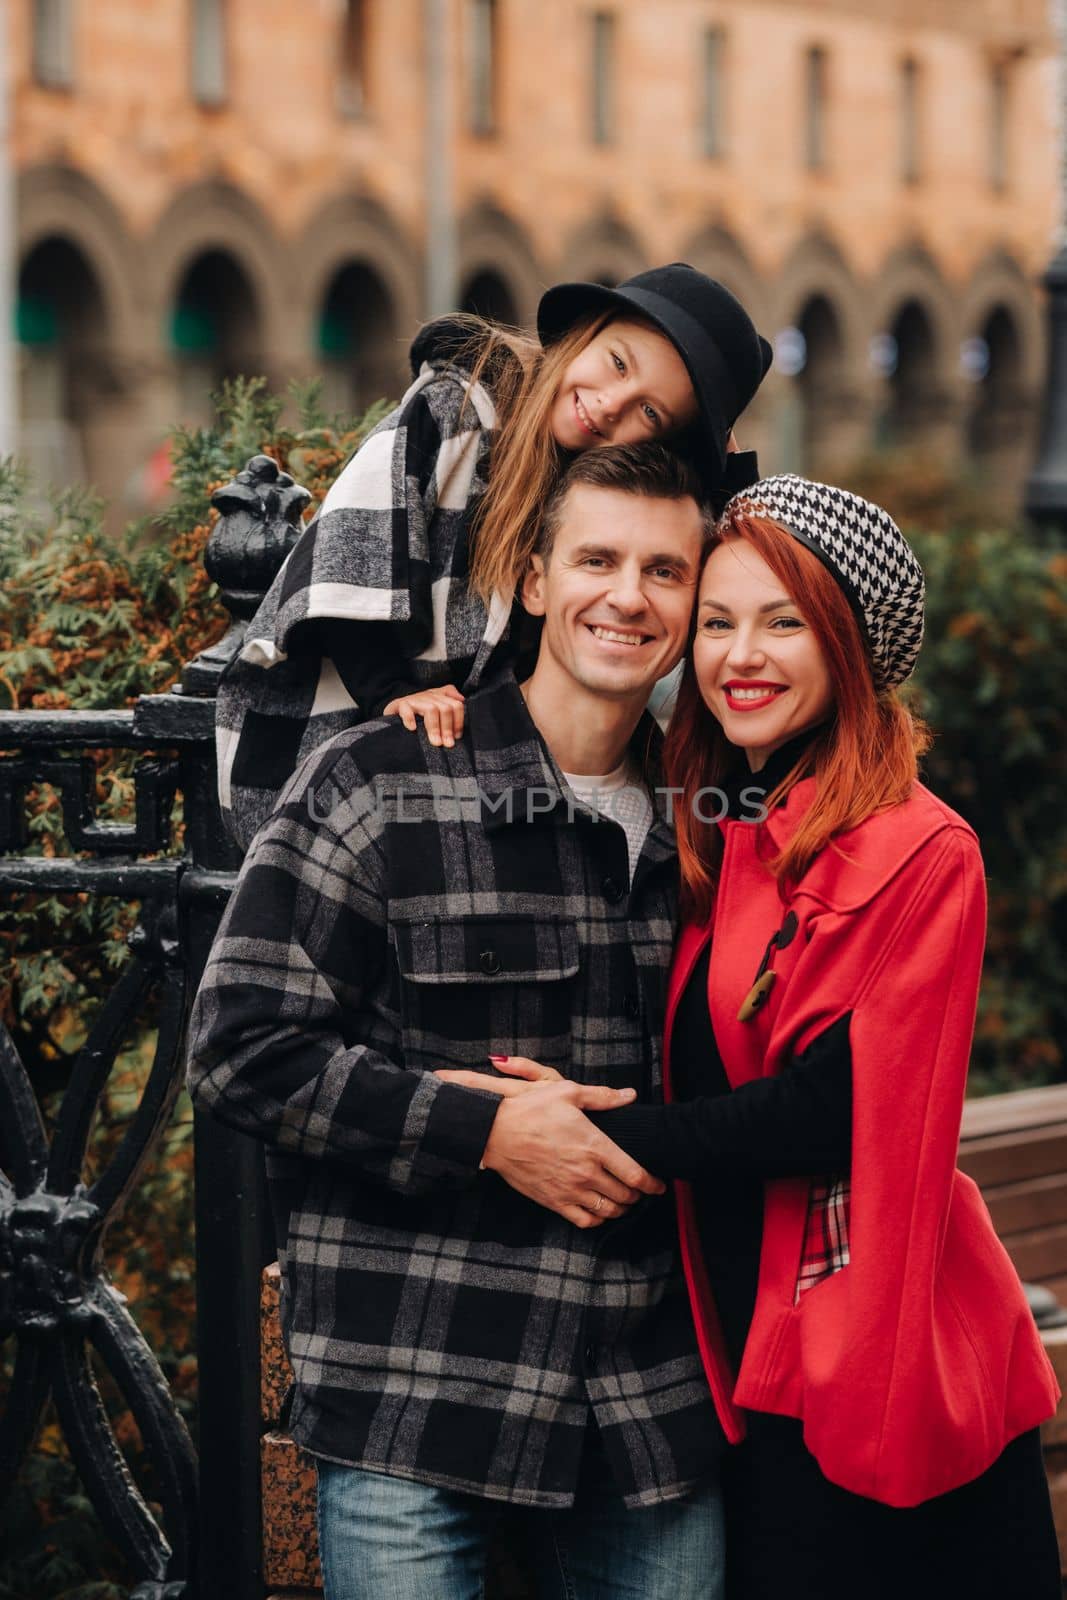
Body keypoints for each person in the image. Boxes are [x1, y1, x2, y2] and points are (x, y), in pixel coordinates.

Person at [472, 476, 1062, 1598]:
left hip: (875, 1351)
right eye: (718, 621)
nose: (740, 655)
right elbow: (563, 714)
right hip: (743, 1352)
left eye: (782, 622)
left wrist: (620, 1135)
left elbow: (836, 1103)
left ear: (846, 645)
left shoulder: (920, 848)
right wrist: (438, 701)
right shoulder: (727, 822)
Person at [187, 443, 736, 1600]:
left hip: (648, 1412)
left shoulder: (716, 828)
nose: (627, 595)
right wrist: (482, 1131)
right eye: (595, 559)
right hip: (418, 1395)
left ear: (695, 599)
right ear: (533, 582)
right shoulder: (378, 781)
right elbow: (241, 1047)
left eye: (662, 570)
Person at [216, 263, 771, 849]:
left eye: (650, 413)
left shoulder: (583, 478)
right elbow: (348, 556)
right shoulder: (456, 407)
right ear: (589, 329)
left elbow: (706, 537)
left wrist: (724, 463)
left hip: (456, 774)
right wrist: (392, 691)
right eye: (617, 363)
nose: (612, 406)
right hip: (331, 736)